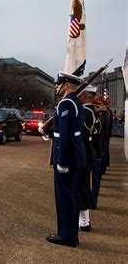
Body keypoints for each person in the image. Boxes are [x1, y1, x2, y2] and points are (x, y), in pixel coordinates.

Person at [46, 72, 86, 248]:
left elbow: (66, 135)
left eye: (59, 84)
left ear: (67, 85)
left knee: (65, 197)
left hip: (67, 157)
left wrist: (61, 161)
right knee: (72, 196)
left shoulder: (67, 103)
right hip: (74, 155)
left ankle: (66, 235)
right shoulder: (76, 102)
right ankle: (71, 234)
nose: (56, 87)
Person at [77, 85, 98, 232]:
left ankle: (84, 221)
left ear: (84, 95)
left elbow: (79, 133)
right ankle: (84, 218)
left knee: (82, 186)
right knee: (84, 185)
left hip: (84, 151)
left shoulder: (85, 112)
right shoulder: (91, 111)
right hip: (88, 151)